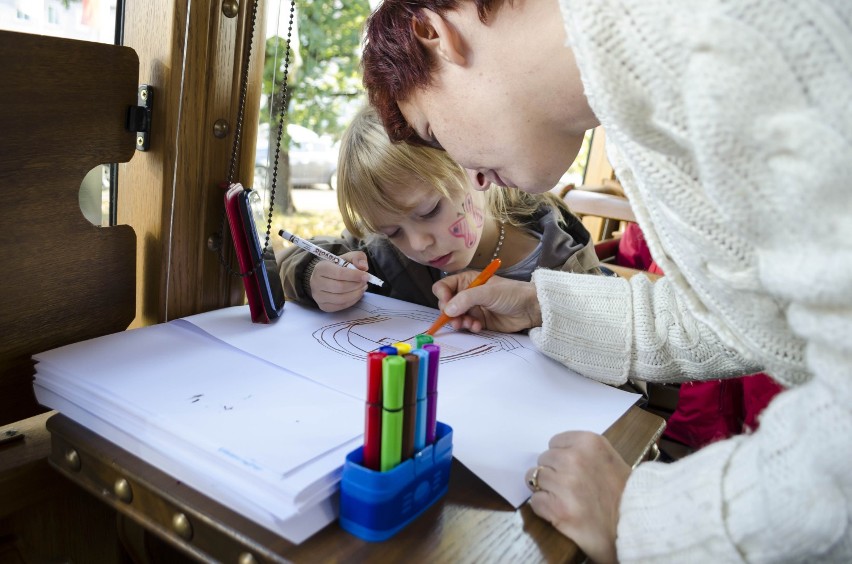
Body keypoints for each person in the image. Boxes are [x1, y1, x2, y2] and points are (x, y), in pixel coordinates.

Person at [361, 1, 851, 562]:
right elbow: (748, 313)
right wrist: (543, 309)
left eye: (433, 129)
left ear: (434, 32)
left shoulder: (731, 34)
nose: (469, 174)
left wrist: (647, 518)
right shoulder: (640, 105)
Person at [277, 105, 601, 313]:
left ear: (473, 165)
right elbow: (294, 259)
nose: (417, 244)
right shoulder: (388, 255)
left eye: (430, 210)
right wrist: (312, 275)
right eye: (392, 232)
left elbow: (625, 375)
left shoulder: (563, 260)